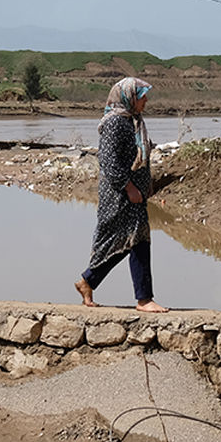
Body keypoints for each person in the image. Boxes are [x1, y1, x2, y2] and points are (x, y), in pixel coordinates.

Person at [75, 77, 169, 312]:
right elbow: (108, 161)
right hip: (119, 194)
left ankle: (90, 281)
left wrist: (145, 184)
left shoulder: (134, 121)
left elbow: (140, 155)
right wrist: (129, 188)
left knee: (135, 240)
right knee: (125, 241)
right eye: (142, 95)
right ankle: (142, 298)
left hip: (134, 193)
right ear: (129, 97)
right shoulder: (115, 122)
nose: (146, 100)